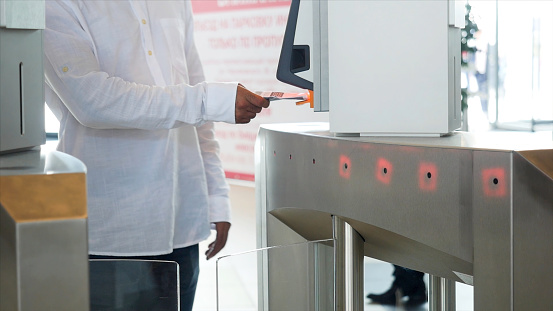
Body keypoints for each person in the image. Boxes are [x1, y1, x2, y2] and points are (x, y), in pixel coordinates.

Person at [42, 1, 269, 310]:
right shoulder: (56, 3)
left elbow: (198, 107)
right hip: (110, 234)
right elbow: (92, 101)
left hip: (183, 221)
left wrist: (217, 197)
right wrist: (210, 100)